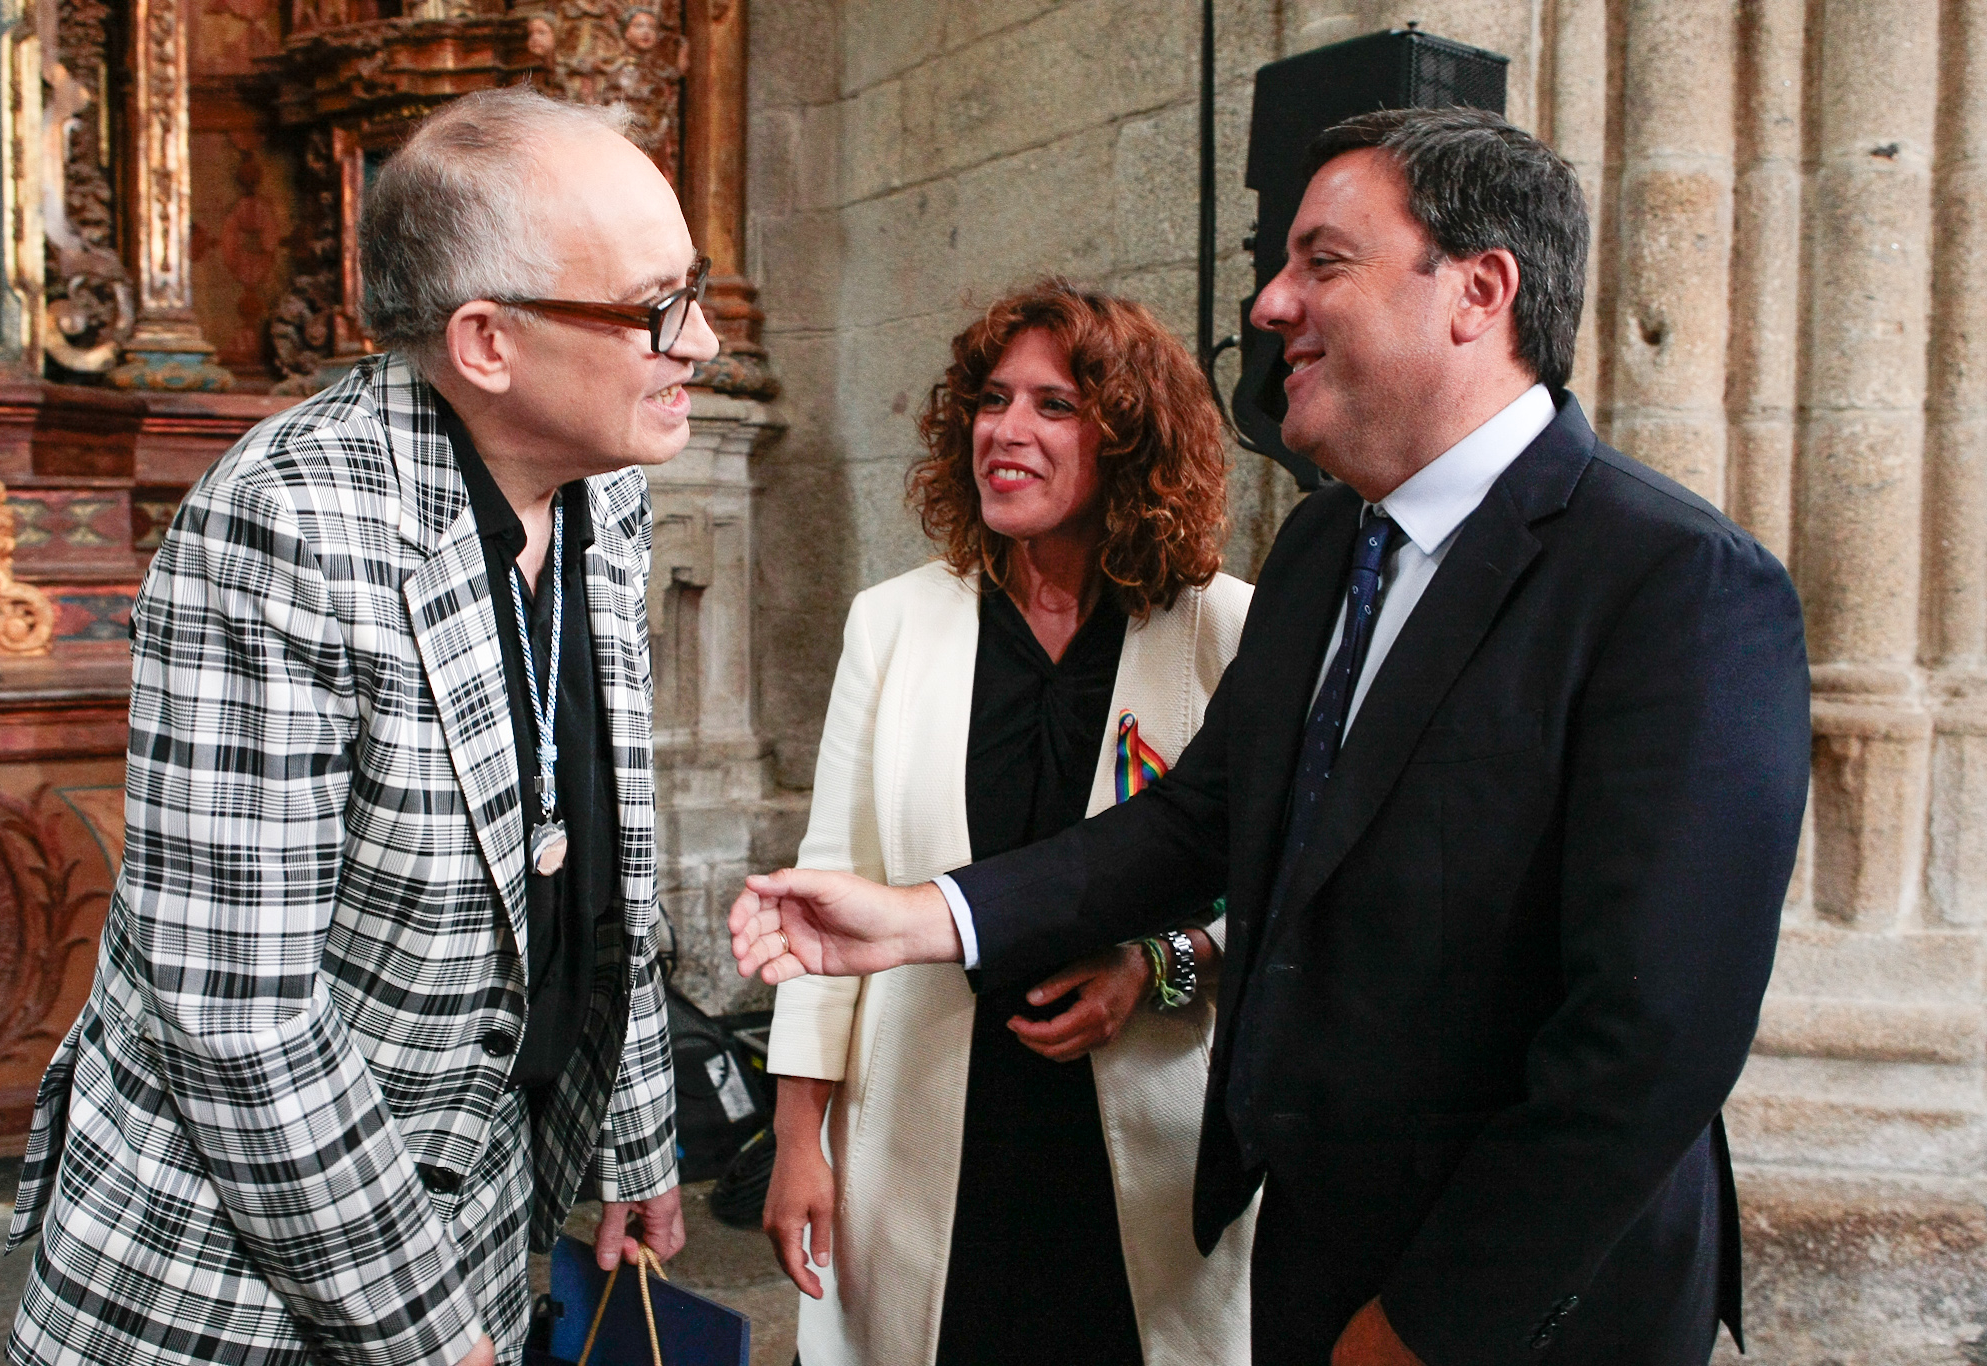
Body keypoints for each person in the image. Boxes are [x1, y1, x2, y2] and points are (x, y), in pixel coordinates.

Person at [731, 107, 1811, 1366]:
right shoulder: (1324, 546)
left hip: (1519, 1296)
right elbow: (1197, 819)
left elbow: (1648, 1040)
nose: (1269, 304)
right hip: (1310, 1246)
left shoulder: (1675, 580)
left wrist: (1421, 1328)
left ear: (1478, 291)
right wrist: (921, 918)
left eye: (1322, 262)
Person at [5, 87, 714, 1366]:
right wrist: (424, 1332)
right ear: (486, 341)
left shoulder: (603, 487)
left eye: (695, 289)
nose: (701, 341)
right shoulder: (280, 524)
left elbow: (606, 842)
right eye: (655, 308)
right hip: (230, 1276)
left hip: (475, 1218)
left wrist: (633, 1132)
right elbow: (237, 1015)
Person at [763, 282, 1256, 1366]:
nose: (1006, 430)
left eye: (1054, 405)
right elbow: (832, 879)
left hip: (1140, 1139)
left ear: (1130, 438)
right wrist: (799, 1140)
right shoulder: (893, 624)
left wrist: (1152, 967)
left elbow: (1263, 895)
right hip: (924, 1123)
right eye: (992, 400)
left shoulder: (1220, 628)